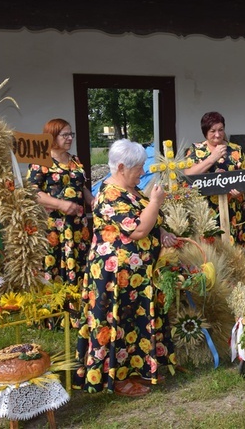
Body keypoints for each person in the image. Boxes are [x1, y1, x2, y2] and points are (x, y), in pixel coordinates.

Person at [74, 139, 179, 397]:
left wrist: (162, 230)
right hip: (114, 277)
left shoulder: (131, 190)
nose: (142, 173)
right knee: (118, 325)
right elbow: (137, 229)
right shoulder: (109, 195)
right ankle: (117, 379)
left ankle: (139, 370)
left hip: (136, 276)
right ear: (121, 167)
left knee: (135, 325)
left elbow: (149, 221)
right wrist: (155, 202)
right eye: (139, 168)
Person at [184, 112, 245, 285]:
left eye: (221, 130)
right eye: (213, 131)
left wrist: (240, 192)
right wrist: (212, 158)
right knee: (211, 251)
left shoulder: (235, 151)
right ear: (205, 131)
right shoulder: (195, 151)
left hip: (234, 212)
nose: (217, 135)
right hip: (208, 213)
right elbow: (188, 176)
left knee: (238, 251)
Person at [26, 118, 92, 288]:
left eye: (71, 134)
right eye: (65, 135)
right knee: (54, 269)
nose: (70, 138)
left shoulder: (75, 159)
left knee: (80, 267)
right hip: (54, 227)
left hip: (78, 226)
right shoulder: (41, 160)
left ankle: (77, 309)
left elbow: (80, 185)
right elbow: (32, 192)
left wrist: (93, 200)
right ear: (52, 136)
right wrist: (60, 204)